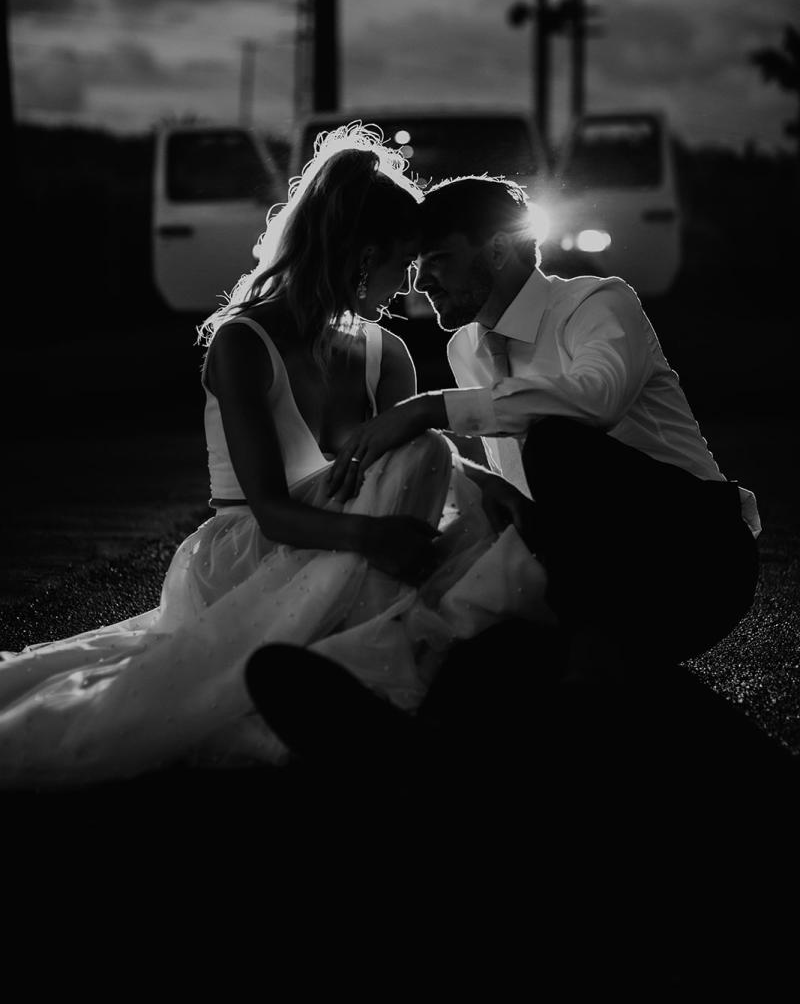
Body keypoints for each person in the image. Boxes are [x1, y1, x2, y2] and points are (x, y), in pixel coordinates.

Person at [0, 128, 552, 787]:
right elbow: (269, 511)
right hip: (258, 553)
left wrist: (495, 488)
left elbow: (407, 475)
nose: (408, 288)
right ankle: (383, 686)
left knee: (472, 505)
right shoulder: (244, 342)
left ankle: (397, 683)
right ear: (361, 256)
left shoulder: (387, 353)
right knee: (430, 465)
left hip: (354, 550)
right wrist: (374, 535)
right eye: (400, 266)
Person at [326, 173, 761, 676]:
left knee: (555, 443)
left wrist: (429, 409)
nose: (420, 282)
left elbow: (597, 399)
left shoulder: (595, 302)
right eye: (418, 264)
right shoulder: (464, 347)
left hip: (696, 555)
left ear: (496, 250)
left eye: (439, 259)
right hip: (602, 578)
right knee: (466, 617)